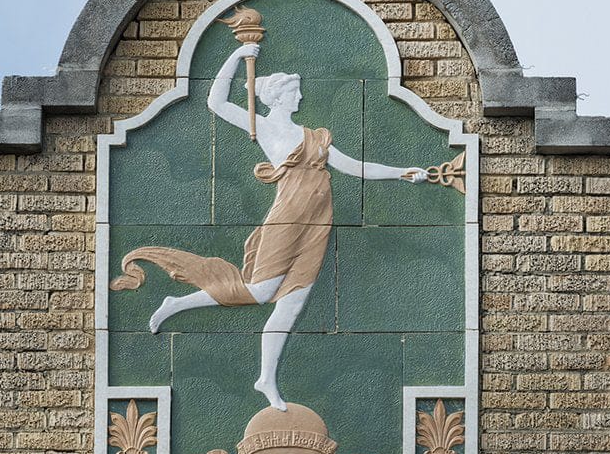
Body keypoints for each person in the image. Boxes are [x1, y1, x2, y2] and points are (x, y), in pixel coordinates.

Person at [111, 44, 428, 411]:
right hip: (287, 218)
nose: (301, 96)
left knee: (291, 305)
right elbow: (216, 101)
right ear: (277, 96)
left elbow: (354, 166)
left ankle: (266, 379)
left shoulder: (315, 137)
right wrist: (235, 55)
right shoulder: (262, 127)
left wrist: (401, 173)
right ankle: (177, 303)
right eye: (295, 91)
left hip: (316, 224)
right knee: (260, 292)